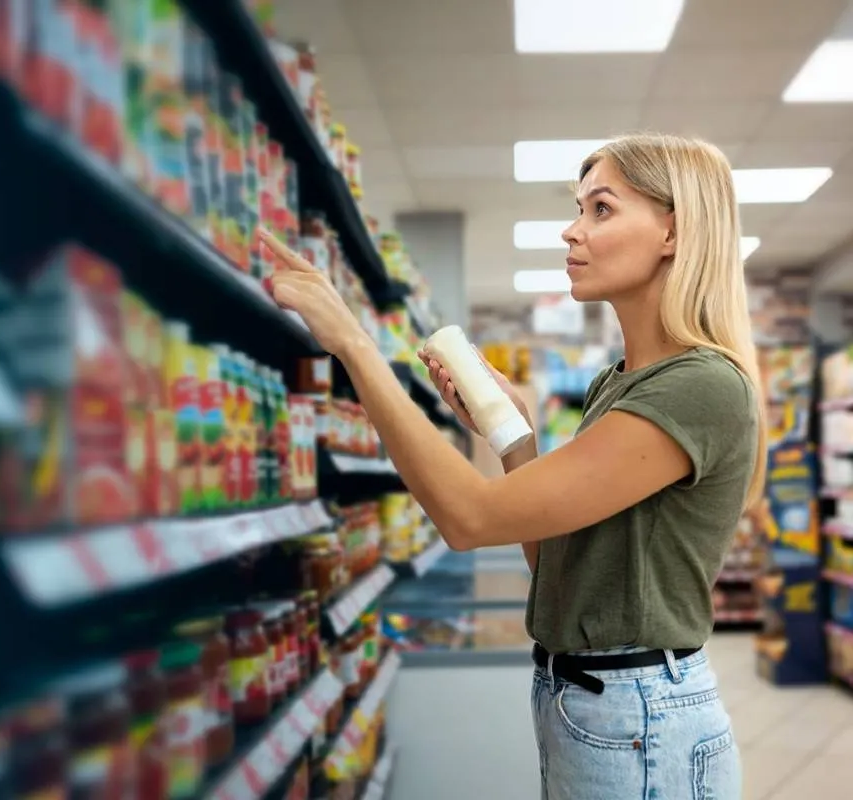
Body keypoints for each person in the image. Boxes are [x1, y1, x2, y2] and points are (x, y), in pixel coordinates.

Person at [258, 132, 763, 800]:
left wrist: (354, 345)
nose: (572, 231)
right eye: (579, 209)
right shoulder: (619, 384)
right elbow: (555, 569)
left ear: (674, 230)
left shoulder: (699, 386)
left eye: (601, 210)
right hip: (587, 699)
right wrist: (513, 438)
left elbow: (468, 520)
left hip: (637, 714)